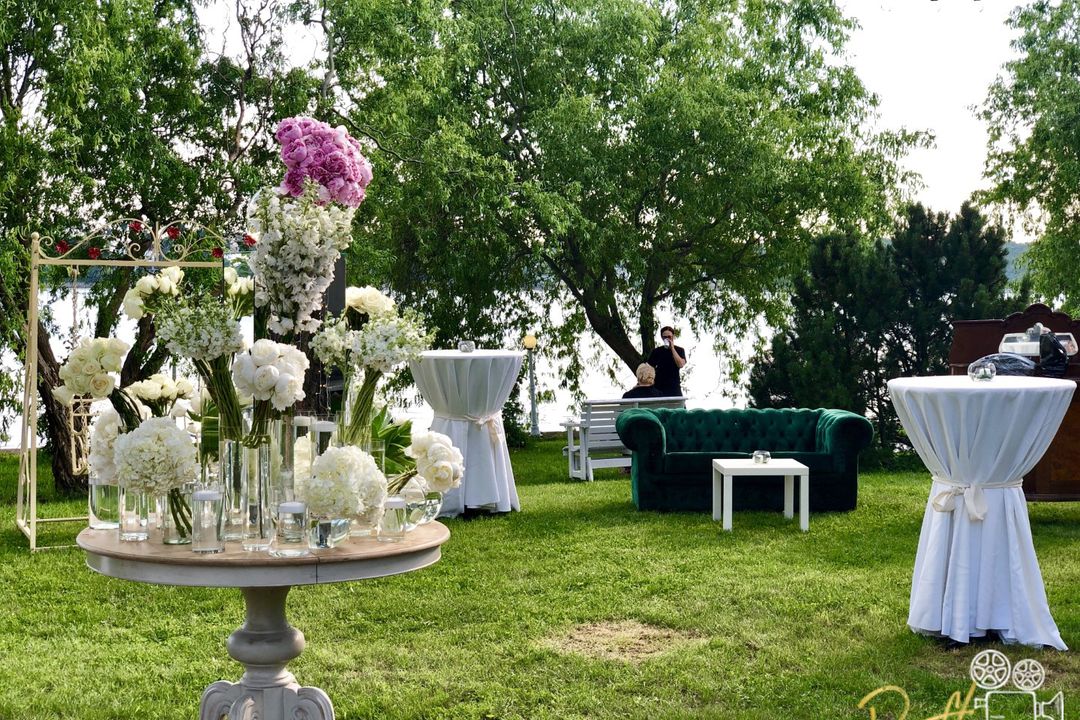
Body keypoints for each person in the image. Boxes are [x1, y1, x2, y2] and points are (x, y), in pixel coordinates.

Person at [647, 326, 687, 397]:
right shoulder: (656, 351)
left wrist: (672, 348)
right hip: (658, 388)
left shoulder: (680, 350)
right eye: (665, 337)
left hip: (674, 387)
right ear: (662, 338)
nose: (667, 339)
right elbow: (648, 368)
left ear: (673, 337)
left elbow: (680, 364)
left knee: (679, 403)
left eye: (669, 337)